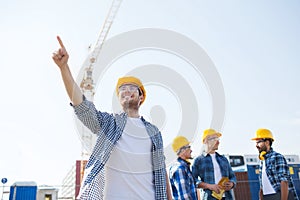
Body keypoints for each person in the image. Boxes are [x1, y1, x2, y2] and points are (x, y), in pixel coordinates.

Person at [52, 36, 172, 200]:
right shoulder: (109, 124)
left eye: (131, 88)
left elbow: (161, 169)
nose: (126, 90)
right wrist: (64, 68)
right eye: (122, 89)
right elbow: (82, 106)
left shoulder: (154, 131)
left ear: (141, 96)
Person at [251, 128, 299, 200]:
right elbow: (262, 186)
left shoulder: (277, 157)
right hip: (268, 198)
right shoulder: (262, 161)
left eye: (258, 142)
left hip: (279, 197)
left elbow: (284, 182)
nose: (256, 145)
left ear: (267, 142)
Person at [192, 129, 236, 200]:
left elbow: (233, 176)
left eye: (218, 139)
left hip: (227, 197)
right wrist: (209, 186)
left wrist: (232, 184)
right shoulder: (198, 160)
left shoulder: (223, 159)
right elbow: (193, 180)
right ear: (205, 141)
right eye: (214, 139)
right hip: (209, 197)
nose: (218, 142)